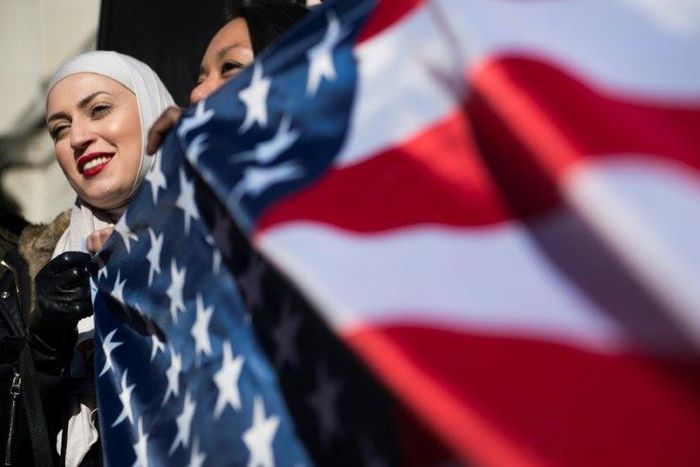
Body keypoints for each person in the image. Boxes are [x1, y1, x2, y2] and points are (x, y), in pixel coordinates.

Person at [0, 50, 174, 466]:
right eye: (60, 129)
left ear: (152, 111)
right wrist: (42, 351)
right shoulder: (23, 276)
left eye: (99, 109)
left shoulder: (230, 233)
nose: (77, 138)